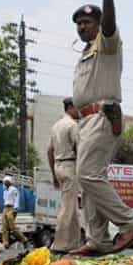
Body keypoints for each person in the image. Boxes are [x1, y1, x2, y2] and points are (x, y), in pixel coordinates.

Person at [69, 0, 133, 255]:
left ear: (99, 25)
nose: (82, 27)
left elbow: (111, 26)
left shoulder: (107, 44)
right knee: (89, 179)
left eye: (87, 22)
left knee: (88, 174)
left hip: (103, 115)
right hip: (86, 121)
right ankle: (98, 240)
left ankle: (129, 223)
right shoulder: (86, 52)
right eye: (78, 24)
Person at [47, 97, 83, 253]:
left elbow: (49, 151)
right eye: (78, 108)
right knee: (67, 207)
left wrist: (53, 174)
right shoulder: (72, 125)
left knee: (73, 207)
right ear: (71, 107)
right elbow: (80, 149)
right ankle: (59, 245)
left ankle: (74, 244)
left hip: (58, 165)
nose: (80, 111)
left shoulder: (55, 126)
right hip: (70, 165)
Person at [1, 176, 28, 248]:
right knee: (4, 227)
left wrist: (16, 208)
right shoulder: (4, 191)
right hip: (5, 208)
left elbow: (16, 198)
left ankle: (24, 239)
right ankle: (5, 243)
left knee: (12, 227)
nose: (5, 183)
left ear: (10, 182)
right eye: (4, 181)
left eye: (7, 181)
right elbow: (5, 200)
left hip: (12, 208)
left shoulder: (14, 189)